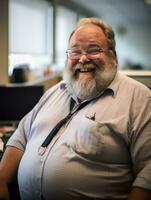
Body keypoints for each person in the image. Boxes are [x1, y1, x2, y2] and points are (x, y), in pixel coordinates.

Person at [0, 17, 151, 200]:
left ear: (113, 56)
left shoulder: (139, 98)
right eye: (75, 51)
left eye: (94, 50)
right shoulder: (55, 91)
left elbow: (147, 172)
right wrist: (1, 179)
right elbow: (21, 136)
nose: (83, 58)